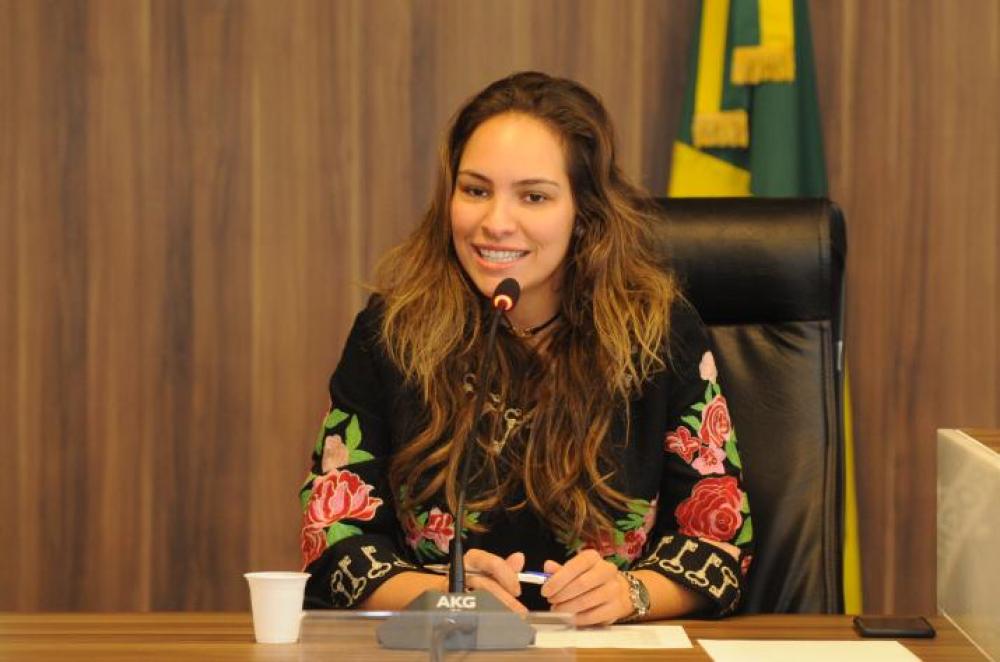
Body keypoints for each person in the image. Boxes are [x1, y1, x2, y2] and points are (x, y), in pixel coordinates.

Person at [299, 71, 753, 624]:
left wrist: (630, 594)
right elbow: (332, 542)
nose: (495, 223)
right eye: (475, 191)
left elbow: (718, 544)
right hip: (448, 649)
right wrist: (444, 595)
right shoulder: (392, 333)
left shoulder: (657, 334)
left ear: (585, 213)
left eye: (534, 197)